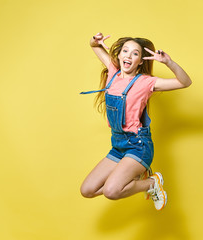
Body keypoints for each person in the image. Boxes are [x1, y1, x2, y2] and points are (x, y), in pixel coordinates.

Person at [80, 32, 192, 210]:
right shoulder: (113, 73)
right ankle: (130, 180)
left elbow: (184, 82)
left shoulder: (146, 82)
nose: (128, 56)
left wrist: (169, 62)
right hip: (118, 145)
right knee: (87, 190)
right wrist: (94, 41)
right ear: (118, 55)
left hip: (138, 145)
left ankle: (151, 184)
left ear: (140, 61)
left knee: (111, 191)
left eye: (135, 53)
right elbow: (94, 46)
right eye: (125, 51)